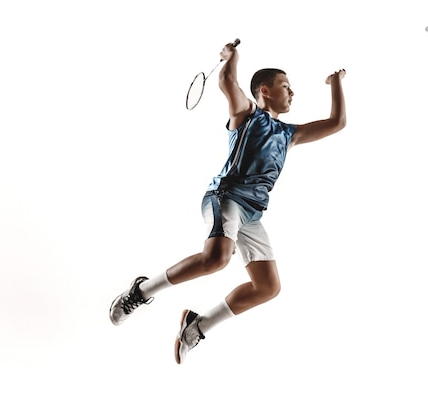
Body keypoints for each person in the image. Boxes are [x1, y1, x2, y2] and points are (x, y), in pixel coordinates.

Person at [109, 40, 346, 364]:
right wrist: (232, 57)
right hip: (226, 198)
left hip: (251, 214)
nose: (292, 92)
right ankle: (140, 291)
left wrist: (336, 85)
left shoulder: (290, 134)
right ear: (264, 90)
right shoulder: (247, 115)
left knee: (267, 287)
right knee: (217, 258)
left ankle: (197, 326)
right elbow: (226, 82)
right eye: (285, 86)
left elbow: (337, 123)